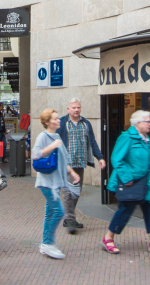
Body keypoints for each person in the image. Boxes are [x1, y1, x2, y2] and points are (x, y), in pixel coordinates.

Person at [102, 110, 150, 255]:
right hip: (132, 183)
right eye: (148, 121)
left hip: (149, 183)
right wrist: (127, 177)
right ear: (138, 123)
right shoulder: (127, 138)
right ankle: (108, 237)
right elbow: (116, 159)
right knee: (125, 210)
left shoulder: (148, 141)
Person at [31, 108, 81, 259]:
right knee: (59, 212)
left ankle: (45, 244)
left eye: (58, 118)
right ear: (47, 122)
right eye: (54, 119)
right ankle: (48, 243)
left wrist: (72, 173)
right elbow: (35, 155)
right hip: (46, 182)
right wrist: (52, 147)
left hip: (55, 183)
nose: (58, 120)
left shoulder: (57, 135)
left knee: (50, 212)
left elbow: (63, 159)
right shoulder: (43, 137)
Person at [57, 98, 106, 233]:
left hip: (80, 163)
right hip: (67, 164)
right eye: (73, 107)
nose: (76, 110)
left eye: (78, 107)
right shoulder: (62, 123)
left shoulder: (86, 124)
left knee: (76, 192)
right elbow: (55, 142)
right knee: (68, 192)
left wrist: (100, 157)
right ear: (68, 109)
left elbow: (93, 142)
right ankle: (70, 219)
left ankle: (69, 218)